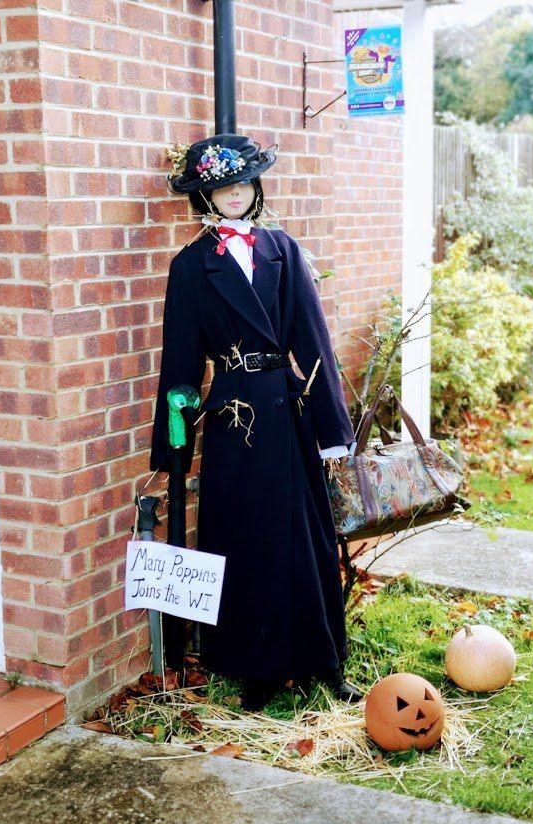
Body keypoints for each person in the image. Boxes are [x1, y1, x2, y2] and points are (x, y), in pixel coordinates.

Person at [149, 133, 362, 711]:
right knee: (244, 539)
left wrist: (331, 432)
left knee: (308, 535)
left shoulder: (282, 249)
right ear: (206, 198)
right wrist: (171, 447)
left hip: (285, 410)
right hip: (234, 418)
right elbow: (181, 358)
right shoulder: (191, 266)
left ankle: (324, 659)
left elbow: (313, 343)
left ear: (255, 188)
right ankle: (256, 667)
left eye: (241, 183)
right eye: (220, 187)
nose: (233, 194)